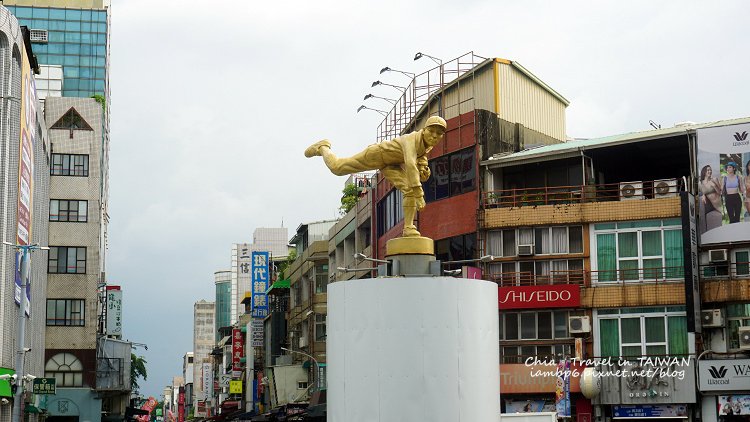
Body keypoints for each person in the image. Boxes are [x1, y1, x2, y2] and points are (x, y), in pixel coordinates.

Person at [304, 115, 447, 237]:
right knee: (337, 168)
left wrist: (424, 172)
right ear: (424, 130)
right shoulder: (411, 139)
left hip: (391, 164)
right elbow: (410, 164)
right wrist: (419, 194)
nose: (434, 136)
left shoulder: (426, 146)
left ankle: (408, 228)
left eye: (439, 134)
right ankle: (324, 148)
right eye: (431, 131)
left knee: (408, 190)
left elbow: (420, 168)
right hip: (377, 154)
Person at [699, 165, 724, 233]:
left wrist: (714, 185)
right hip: (714, 205)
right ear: (704, 172)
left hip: (720, 203)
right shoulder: (700, 183)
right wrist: (704, 195)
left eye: (710, 170)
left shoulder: (714, 179)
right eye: (708, 170)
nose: (710, 171)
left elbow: (720, 193)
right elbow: (701, 191)